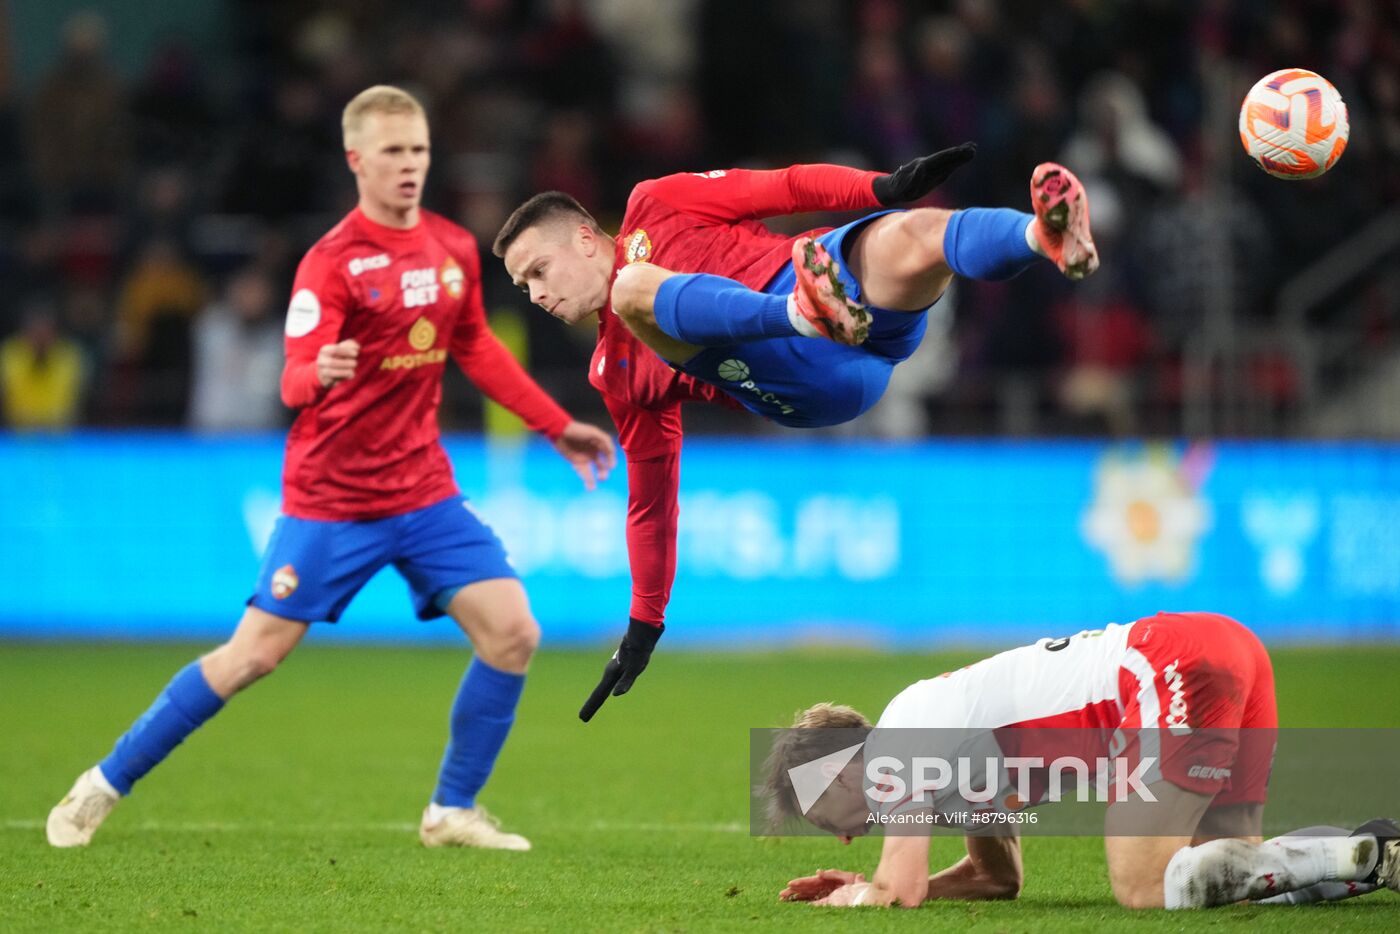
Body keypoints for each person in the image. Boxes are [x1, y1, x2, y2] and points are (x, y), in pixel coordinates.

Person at [46, 85, 615, 851]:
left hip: (422, 491)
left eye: (417, 150)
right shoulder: (331, 263)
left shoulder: (449, 248)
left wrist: (555, 426)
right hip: (333, 500)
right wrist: (320, 372)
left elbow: (473, 346)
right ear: (357, 161)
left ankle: (451, 810)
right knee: (254, 656)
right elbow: (289, 378)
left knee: (513, 632)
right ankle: (104, 782)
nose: (409, 165)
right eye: (392, 153)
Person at [492, 147, 1099, 720]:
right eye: (524, 287)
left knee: (912, 233)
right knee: (632, 292)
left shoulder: (657, 202)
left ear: (581, 236)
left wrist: (879, 187)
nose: (537, 294)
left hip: (840, 300)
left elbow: (779, 187)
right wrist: (644, 625)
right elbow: (652, 503)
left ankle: (1042, 235)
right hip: (806, 378)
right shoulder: (615, 370)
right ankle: (800, 315)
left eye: (538, 271)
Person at [761, 611, 1400, 909]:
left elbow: (899, 894)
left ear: (840, 769)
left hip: (1161, 670)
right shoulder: (931, 764)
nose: (844, 837)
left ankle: (1361, 856)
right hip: (1218, 648)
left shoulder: (896, 747)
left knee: (1146, 887)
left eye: (826, 817)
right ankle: (1376, 854)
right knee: (1236, 881)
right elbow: (998, 879)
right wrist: (880, 885)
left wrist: (855, 898)